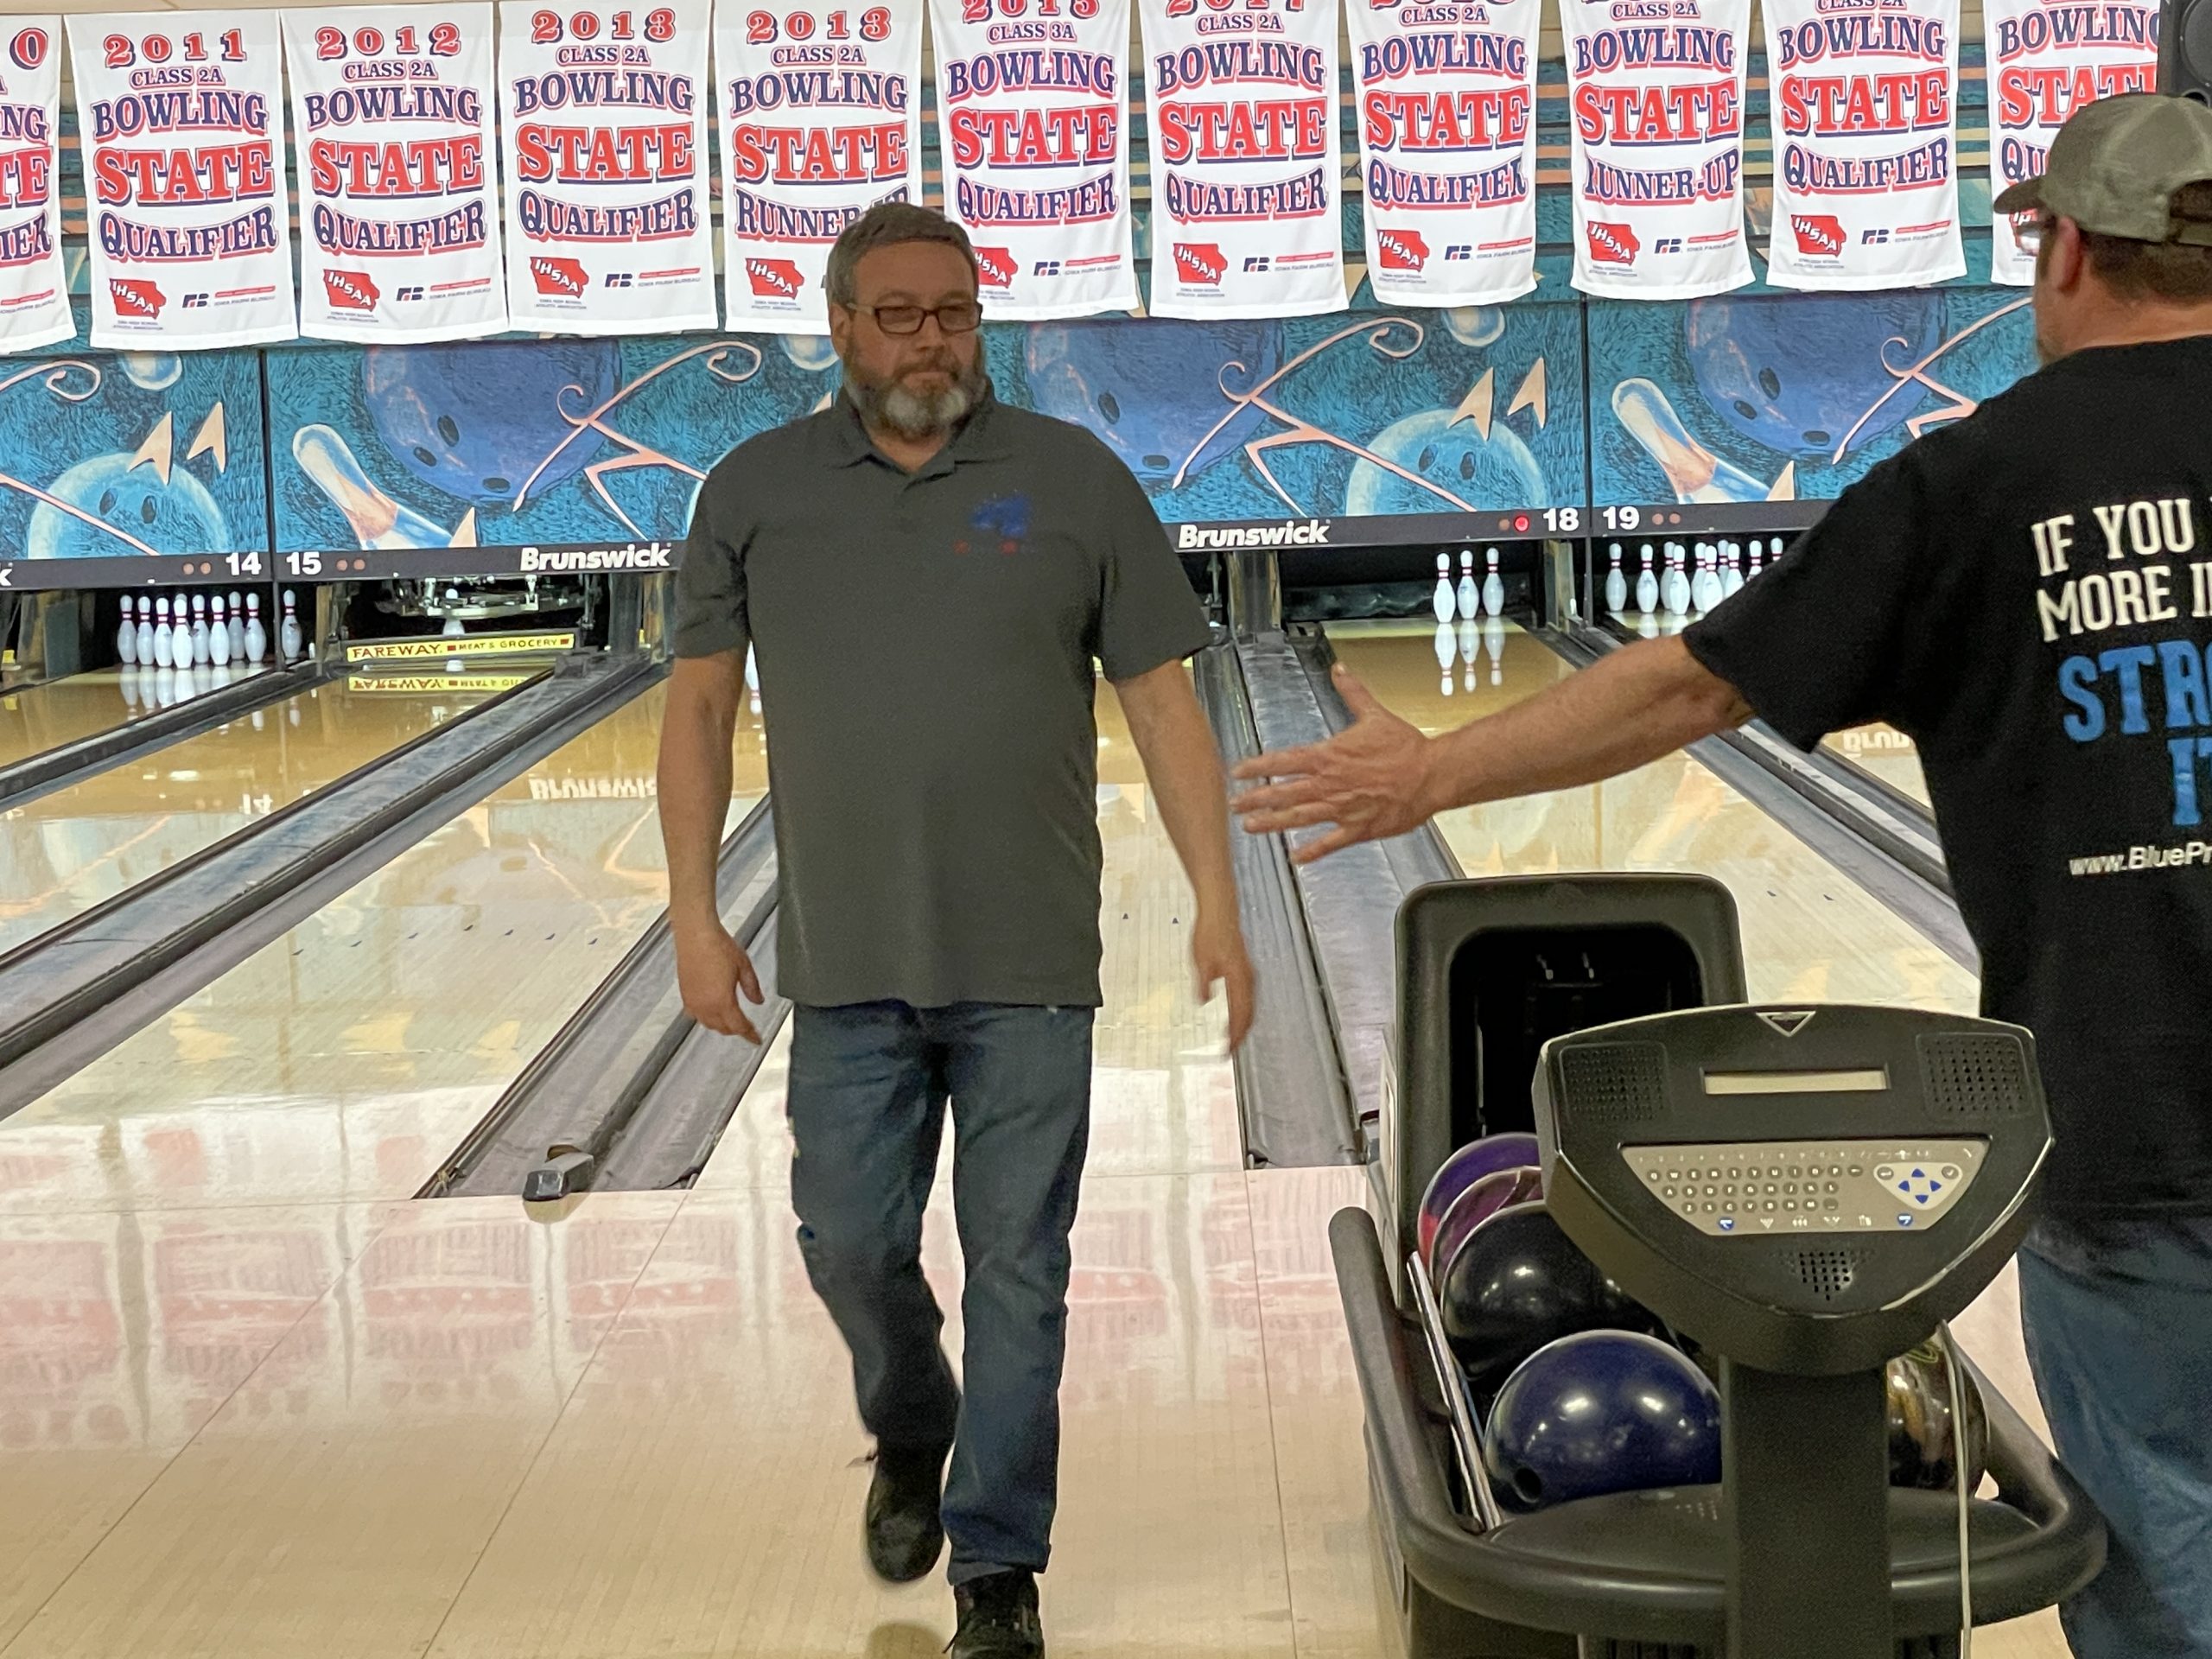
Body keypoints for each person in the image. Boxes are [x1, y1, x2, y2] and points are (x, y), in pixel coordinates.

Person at [1232, 93, 2212, 1658]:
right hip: (2132, 1127)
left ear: (2072, 247)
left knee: (2163, 1563)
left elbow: (1693, 685)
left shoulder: (1972, 485)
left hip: (2137, 1116)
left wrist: (1435, 774)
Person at [657, 201, 1254, 1659]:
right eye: (904, 314)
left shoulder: (1073, 479)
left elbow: (1166, 704)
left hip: (1031, 966)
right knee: (850, 1246)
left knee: (1021, 1273)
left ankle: (999, 1567)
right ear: (843, 327)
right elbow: (694, 713)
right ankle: (910, 1422)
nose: (935, 339)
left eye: (958, 312)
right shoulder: (751, 490)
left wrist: (1221, 897)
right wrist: (689, 912)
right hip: (846, 965)